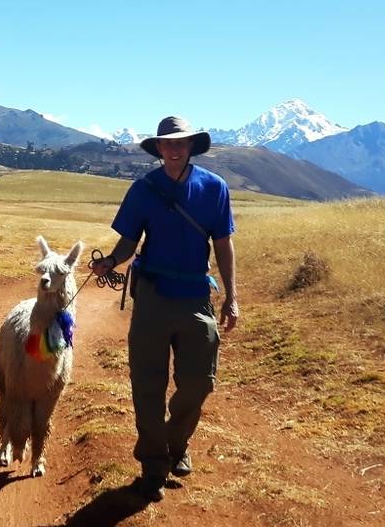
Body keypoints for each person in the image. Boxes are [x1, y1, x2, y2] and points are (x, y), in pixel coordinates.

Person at [92, 115, 239, 503]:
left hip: (195, 295)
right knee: (147, 386)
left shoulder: (215, 188)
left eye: (181, 142)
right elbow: (128, 241)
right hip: (153, 297)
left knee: (198, 382)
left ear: (191, 146)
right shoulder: (143, 190)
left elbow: (223, 245)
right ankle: (154, 466)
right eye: (167, 143)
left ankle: (176, 443)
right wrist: (111, 261)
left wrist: (232, 296)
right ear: (158, 149)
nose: (174, 148)